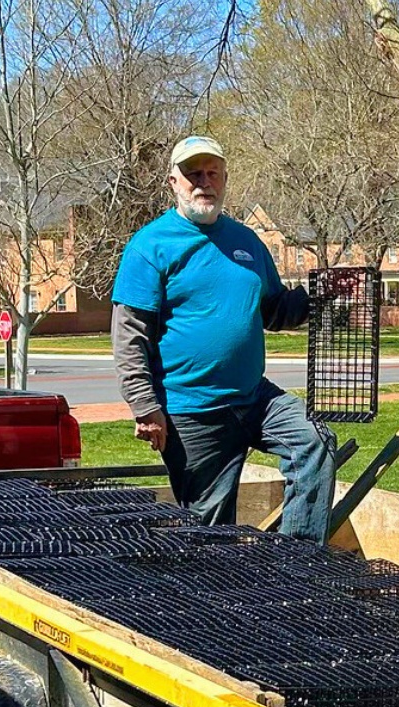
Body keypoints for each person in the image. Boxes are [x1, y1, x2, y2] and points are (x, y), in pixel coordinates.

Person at [110, 135, 336, 542]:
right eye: (193, 174)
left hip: (254, 398)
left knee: (314, 441)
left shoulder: (246, 242)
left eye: (212, 173)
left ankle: (296, 560)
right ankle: (215, 579)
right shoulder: (150, 246)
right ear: (173, 182)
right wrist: (145, 406)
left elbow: (274, 311)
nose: (204, 182)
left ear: (225, 179)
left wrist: (320, 296)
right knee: (210, 533)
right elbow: (129, 337)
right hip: (191, 411)